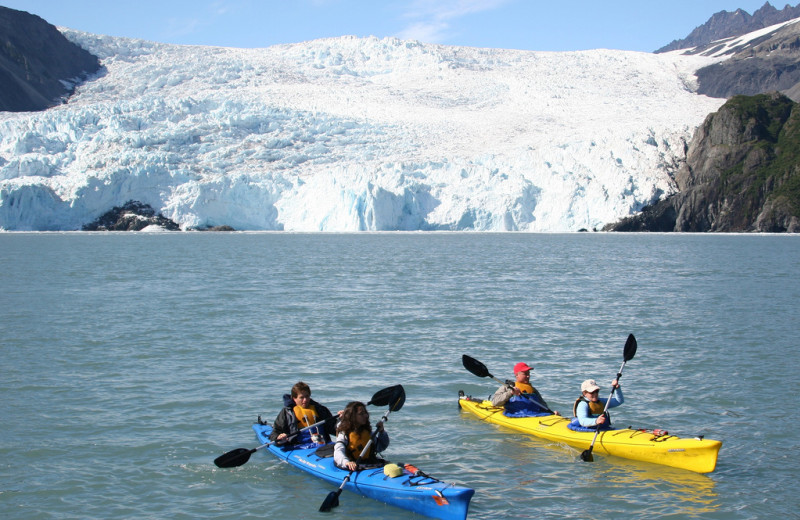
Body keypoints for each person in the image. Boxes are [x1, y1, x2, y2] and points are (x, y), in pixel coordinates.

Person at [269, 381, 336, 444]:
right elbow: (275, 432)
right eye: (301, 397)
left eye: (307, 396)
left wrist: (343, 419)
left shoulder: (320, 409)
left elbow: (334, 428)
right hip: (299, 447)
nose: (305, 400)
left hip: (322, 444)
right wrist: (279, 437)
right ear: (294, 398)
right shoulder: (287, 413)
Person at [333, 401, 390, 471]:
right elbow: (338, 451)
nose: (366, 415)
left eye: (365, 413)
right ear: (353, 417)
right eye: (361, 414)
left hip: (369, 463)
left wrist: (382, 432)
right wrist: (346, 462)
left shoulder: (367, 432)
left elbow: (381, 447)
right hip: (354, 465)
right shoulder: (344, 434)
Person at [490, 362, 559, 416]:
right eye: (525, 374)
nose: (528, 376)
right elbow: (495, 402)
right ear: (517, 375)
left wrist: (552, 412)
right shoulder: (507, 387)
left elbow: (543, 406)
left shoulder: (533, 390)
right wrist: (510, 393)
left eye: (528, 373)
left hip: (535, 415)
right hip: (514, 415)